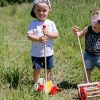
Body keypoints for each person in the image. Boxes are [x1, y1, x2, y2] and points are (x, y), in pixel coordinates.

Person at [27, 0, 58, 84]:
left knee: (48, 69)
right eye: (38, 10)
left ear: (49, 11)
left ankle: (48, 82)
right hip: (36, 53)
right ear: (34, 11)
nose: (41, 13)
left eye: (44, 10)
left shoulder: (51, 23)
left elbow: (55, 35)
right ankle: (36, 83)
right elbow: (29, 36)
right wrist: (39, 39)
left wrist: (48, 33)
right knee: (37, 69)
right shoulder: (33, 23)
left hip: (48, 52)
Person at [72, 10, 100, 83]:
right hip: (88, 55)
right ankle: (87, 83)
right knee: (87, 70)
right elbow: (79, 35)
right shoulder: (88, 28)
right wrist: (76, 32)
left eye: (99, 28)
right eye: (95, 28)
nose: (97, 30)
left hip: (99, 55)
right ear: (92, 23)